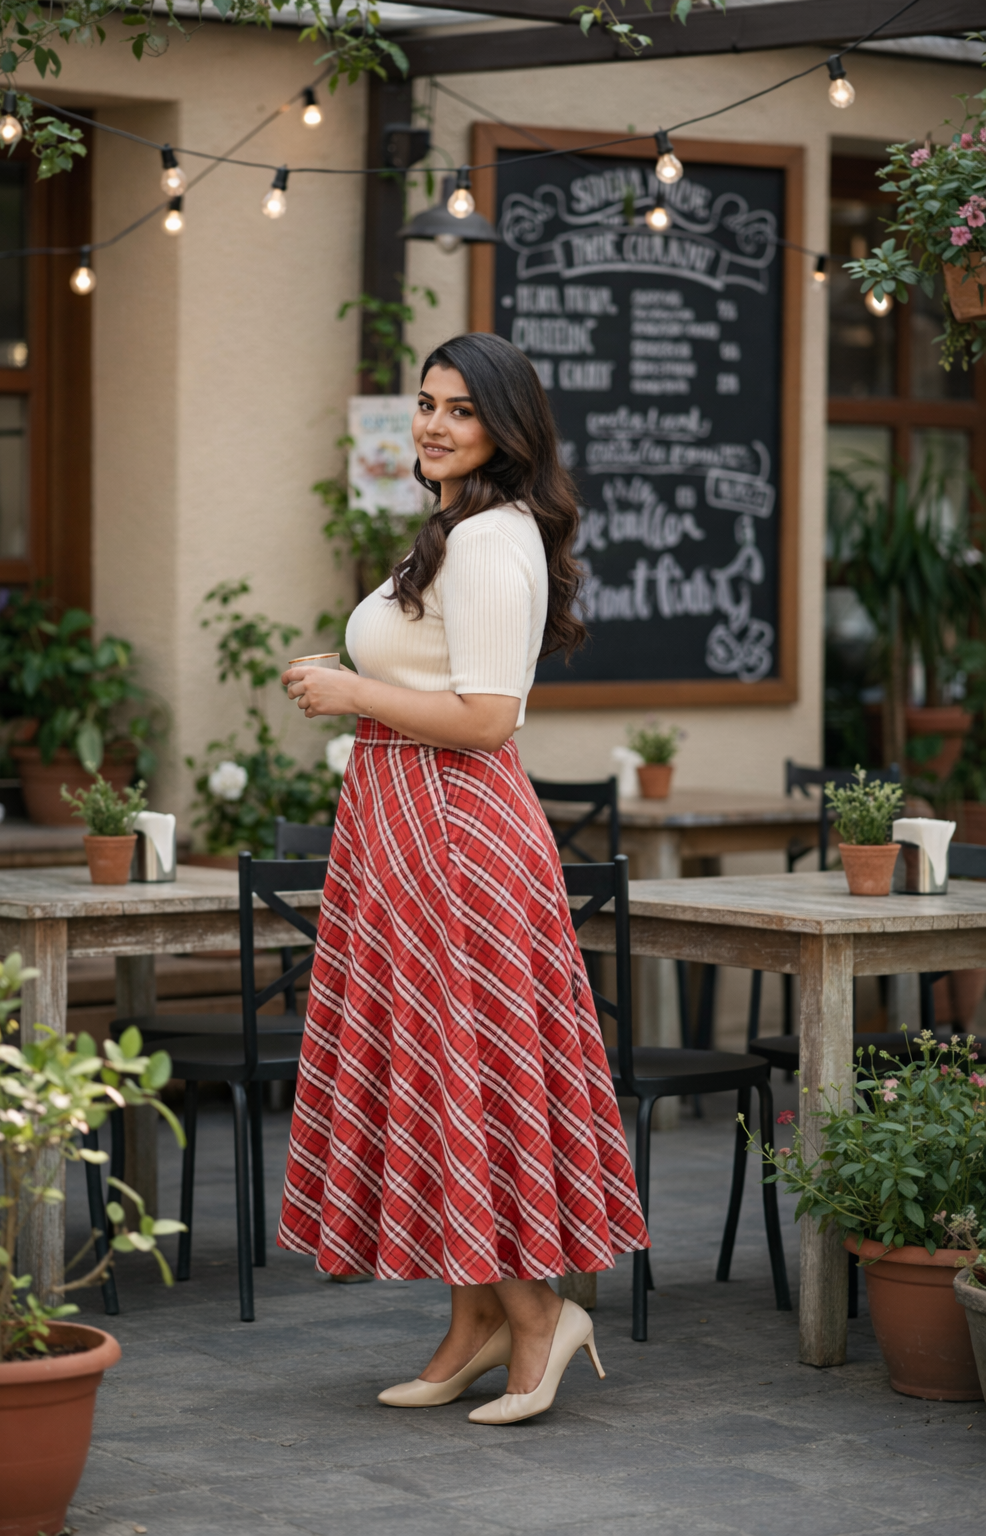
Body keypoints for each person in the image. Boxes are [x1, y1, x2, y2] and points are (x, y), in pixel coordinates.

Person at [278, 332, 648, 1425]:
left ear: (505, 427)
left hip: (453, 838)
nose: (432, 424)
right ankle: (473, 1319)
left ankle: (539, 1317)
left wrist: (352, 694)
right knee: (434, 1074)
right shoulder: (456, 531)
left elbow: (488, 719)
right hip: (408, 831)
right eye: (425, 404)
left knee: (463, 1070)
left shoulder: (492, 540)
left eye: (459, 410)